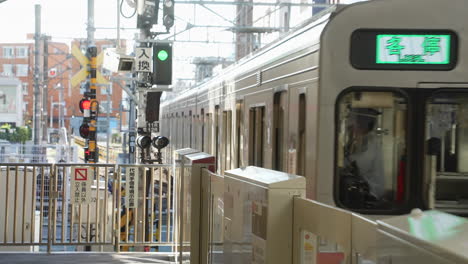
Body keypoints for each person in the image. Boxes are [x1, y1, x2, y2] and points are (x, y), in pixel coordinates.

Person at [345, 108, 385, 199]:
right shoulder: (356, 142)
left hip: (371, 193)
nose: (350, 129)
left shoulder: (369, 145)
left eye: (352, 126)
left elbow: (357, 165)